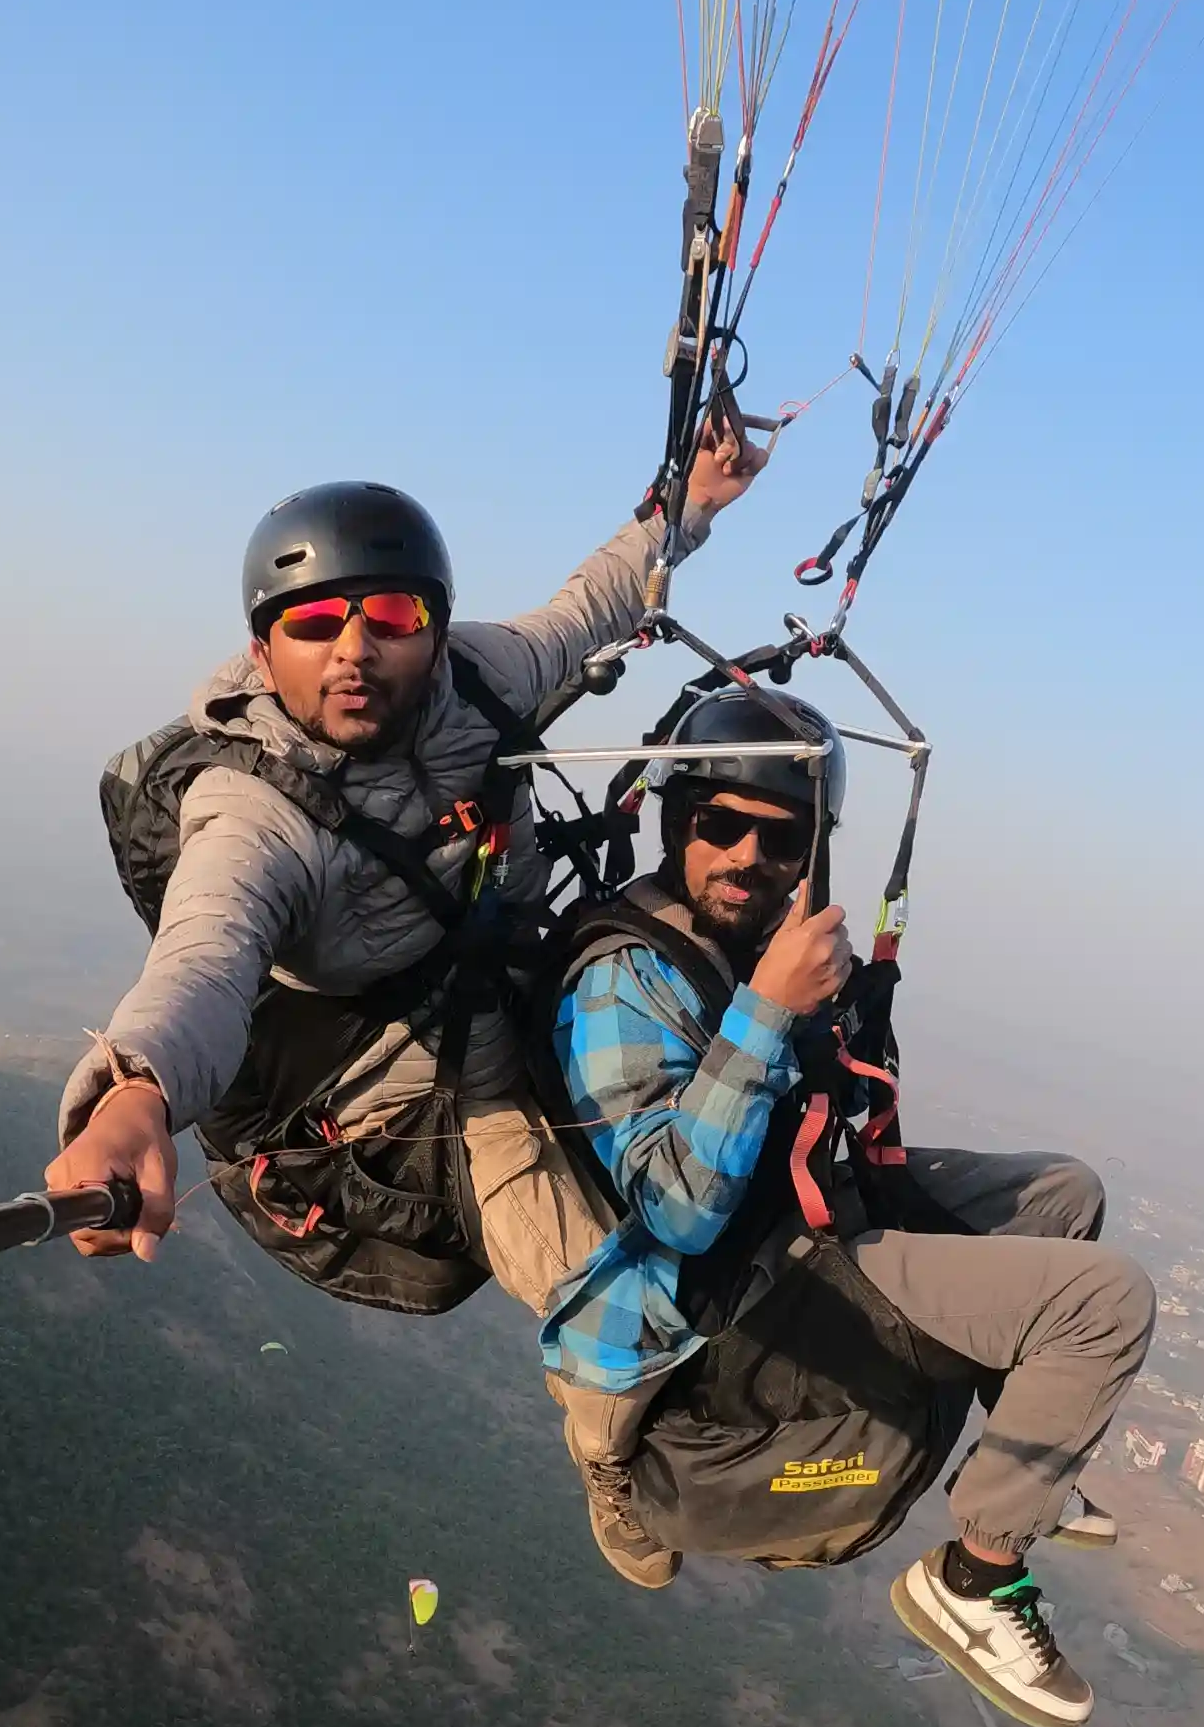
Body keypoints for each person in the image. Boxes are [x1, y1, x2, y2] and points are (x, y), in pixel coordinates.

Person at [539, 687, 1155, 1727]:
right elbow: (673, 1211)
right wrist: (769, 1009)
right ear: (675, 822)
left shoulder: (757, 942)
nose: (746, 857)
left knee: (1063, 1193)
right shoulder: (626, 981)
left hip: (795, 1207)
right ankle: (977, 1578)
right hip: (743, 1281)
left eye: (779, 840)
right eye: (719, 826)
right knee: (1105, 1306)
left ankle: (1024, 1460)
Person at [43, 436, 763, 1307]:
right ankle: (630, 1435)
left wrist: (695, 501)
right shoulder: (254, 813)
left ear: (435, 629)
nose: (353, 650)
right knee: (624, 1322)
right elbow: (204, 959)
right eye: (311, 625)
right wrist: (135, 1095)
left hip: (528, 975)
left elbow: (593, 605)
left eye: (390, 616)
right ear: (264, 655)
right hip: (438, 1080)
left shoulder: (485, 675)